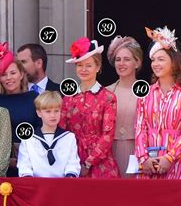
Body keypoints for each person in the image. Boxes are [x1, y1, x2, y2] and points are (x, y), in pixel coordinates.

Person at [135, 26, 181, 179]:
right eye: (153, 60)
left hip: (177, 163)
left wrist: (169, 158)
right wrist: (144, 158)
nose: (155, 63)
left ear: (174, 62)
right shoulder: (145, 93)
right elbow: (139, 128)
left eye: (161, 59)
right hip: (149, 163)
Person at [59, 37, 120, 178]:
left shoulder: (108, 97)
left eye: (88, 65)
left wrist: (88, 163)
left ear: (98, 67)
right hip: (72, 160)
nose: (83, 69)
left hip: (101, 162)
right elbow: (62, 132)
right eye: (79, 65)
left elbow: (107, 135)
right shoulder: (68, 98)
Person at [0, 42, 41, 176]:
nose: (9, 78)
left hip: (29, 163)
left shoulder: (34, 98)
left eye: (13, 73)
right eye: (4, 74)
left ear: (21, 75)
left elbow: (41, 131)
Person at [18, 91, 81, 177]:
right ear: (39, 113)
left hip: (63, 185)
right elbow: (24, 165)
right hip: (36, 186)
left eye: (56, 111)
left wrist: (70, 177)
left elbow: (72, 163)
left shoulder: (69, 137)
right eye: (48, 111)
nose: (53, 115)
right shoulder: (29, 139)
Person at [106, 36, 143, 178]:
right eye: (118, 59)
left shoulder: (148, 92)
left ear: (137, 62)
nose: (121, 63)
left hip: (138, 151)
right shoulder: (106, 92)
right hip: (110, 152)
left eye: (127, 59)